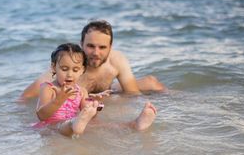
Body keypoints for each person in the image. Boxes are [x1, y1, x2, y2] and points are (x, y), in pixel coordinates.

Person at [34, 43, 157, 137]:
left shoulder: (81, 91)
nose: (69, 75)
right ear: (53, 67)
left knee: (97, 125)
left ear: (82, 70)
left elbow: (88, 116)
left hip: (76, 123)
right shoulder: (49, 88)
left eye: (75, 70)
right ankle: (74, 125)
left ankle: (134, 124)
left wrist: (95, 104)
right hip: (51, 127)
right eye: (64, 69)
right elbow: (42, 116)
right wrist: (58, 100)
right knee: (64, 124)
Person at [21, 20, 165, 99]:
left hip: (108, 93)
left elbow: (133, 94)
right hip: (82, 99)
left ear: (110, 46)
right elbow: (24, 98)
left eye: (102, 47)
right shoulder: (67, 67)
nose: (96, 52)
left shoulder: (117, 60)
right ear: (81, 44)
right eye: (90, 46)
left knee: (152, 83)